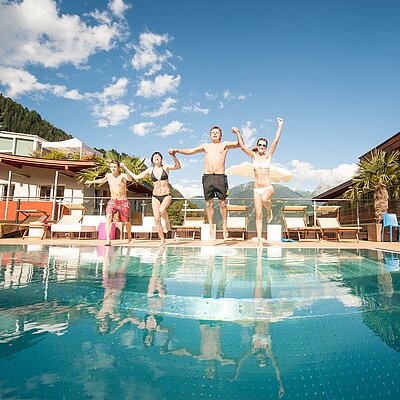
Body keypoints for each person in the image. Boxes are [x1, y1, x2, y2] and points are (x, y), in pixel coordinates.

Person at [171, 126, 240, 240]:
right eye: (213, 132)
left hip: (220, 177)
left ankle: (224, 225)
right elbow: (190, 151)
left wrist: (237, 132)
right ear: (210, 135)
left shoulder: (224, 145)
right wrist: (177, 150)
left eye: (217, 132)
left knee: (222, 203)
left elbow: (239, 144)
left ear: (220, 135)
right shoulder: (205, 146)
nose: (215, 134)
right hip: (207, 176)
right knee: (209, 203)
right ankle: (211, 225)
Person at [234, 117, 283, 246]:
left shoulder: (268, 156)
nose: (262, 147)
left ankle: (270, 209)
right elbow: (243, 147)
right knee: (258, 215)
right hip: (257, 189)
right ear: (257, 146)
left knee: (266, 200)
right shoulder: (254, 156)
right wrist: (238, 133)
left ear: (266, 147)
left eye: (264, 145)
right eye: (260, 145)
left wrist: (279, 126)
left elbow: (276, 140)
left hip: (267, 188)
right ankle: (260, 239)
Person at [125, 150, 181, 246]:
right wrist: (125, 167)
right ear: (152, 160)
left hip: (166, 195)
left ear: (161, 159)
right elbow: (137, 177)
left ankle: (167, 221)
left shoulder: (165, 167)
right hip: (155, 196)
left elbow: (178, 167)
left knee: (162, 209)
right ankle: (162, 240)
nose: (156, 157)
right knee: (156, 219)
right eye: (154, 156)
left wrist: (173, 156)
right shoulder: (150, 170)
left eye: (158, 155)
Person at [85, 160, 135, 246]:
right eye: (111, 167)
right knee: (108, 217)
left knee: (126, 222)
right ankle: (108, 239)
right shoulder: (108, 176)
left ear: (119, 168)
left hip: (123, 201)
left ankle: (129, 236)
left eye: (115, 167)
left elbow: (130, 178)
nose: (113, 169)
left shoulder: (123, 176)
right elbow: (101, 181)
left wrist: (125, 168)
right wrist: (91, 182)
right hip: (112, 201)